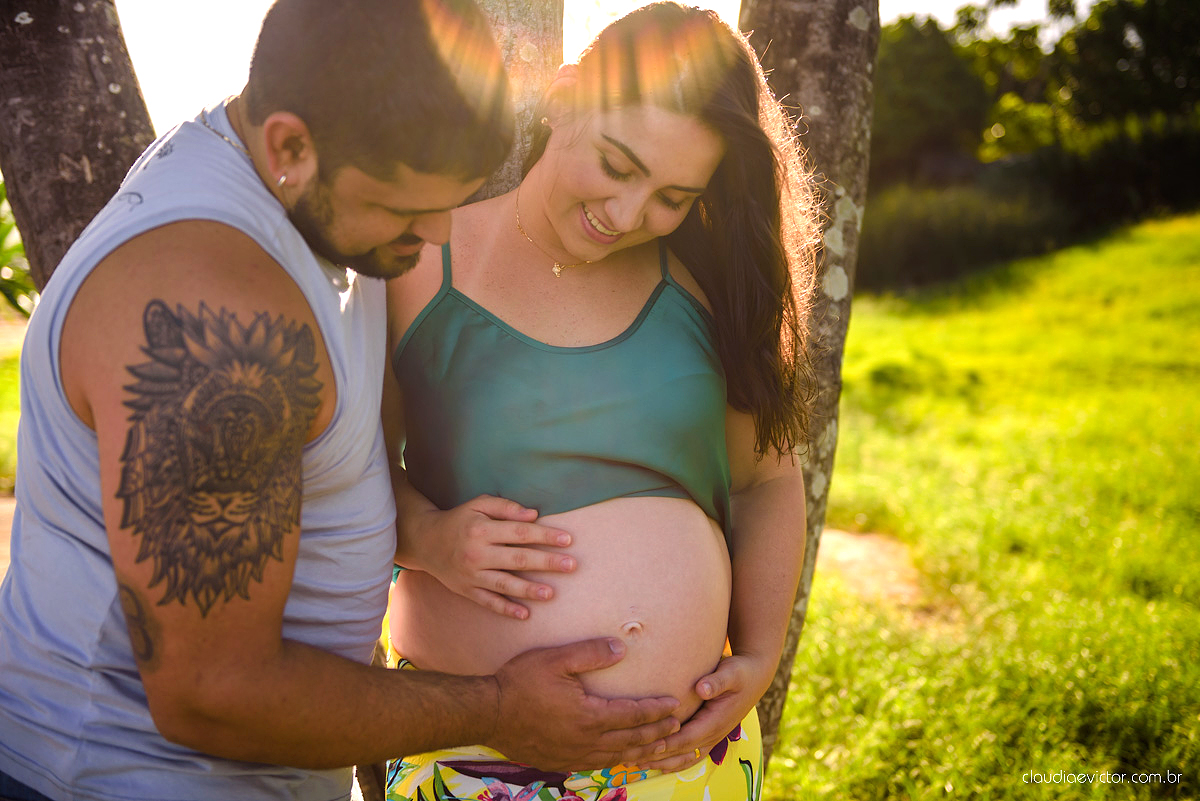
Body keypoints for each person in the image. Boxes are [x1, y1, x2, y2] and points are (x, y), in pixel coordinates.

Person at [0, 1, 683, 799]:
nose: (436, 232)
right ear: (290, 145)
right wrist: (498, 709)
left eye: (449, 200)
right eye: (405, 207)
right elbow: (212, 691)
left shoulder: (295, 167)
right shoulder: (209, 314)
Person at [382, 3, 821, 799]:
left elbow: (765, 480)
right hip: (474, 753)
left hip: (685, 763)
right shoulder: (415, 265)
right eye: (617, 165)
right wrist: (431, 538)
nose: (625, 215)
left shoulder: (707, 288)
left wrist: (759, 657)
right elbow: (345, 472)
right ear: (564, 99)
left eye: (671, 195)